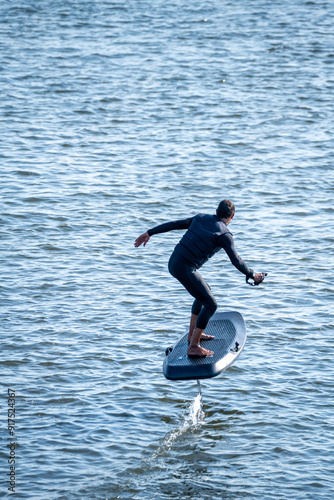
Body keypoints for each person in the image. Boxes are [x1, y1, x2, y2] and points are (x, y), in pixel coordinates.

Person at [134, 200, 266, 358]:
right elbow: (236, 261)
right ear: (232, 216)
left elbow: (175, 224)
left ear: (216, 211)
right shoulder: (224, 235)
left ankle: (192, 335)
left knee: (204, 294)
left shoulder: (200, 218)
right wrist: (253, 274)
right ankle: (194, 346)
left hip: (174, 262)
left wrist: (150, 232)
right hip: (185, 268)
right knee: (211, 304)